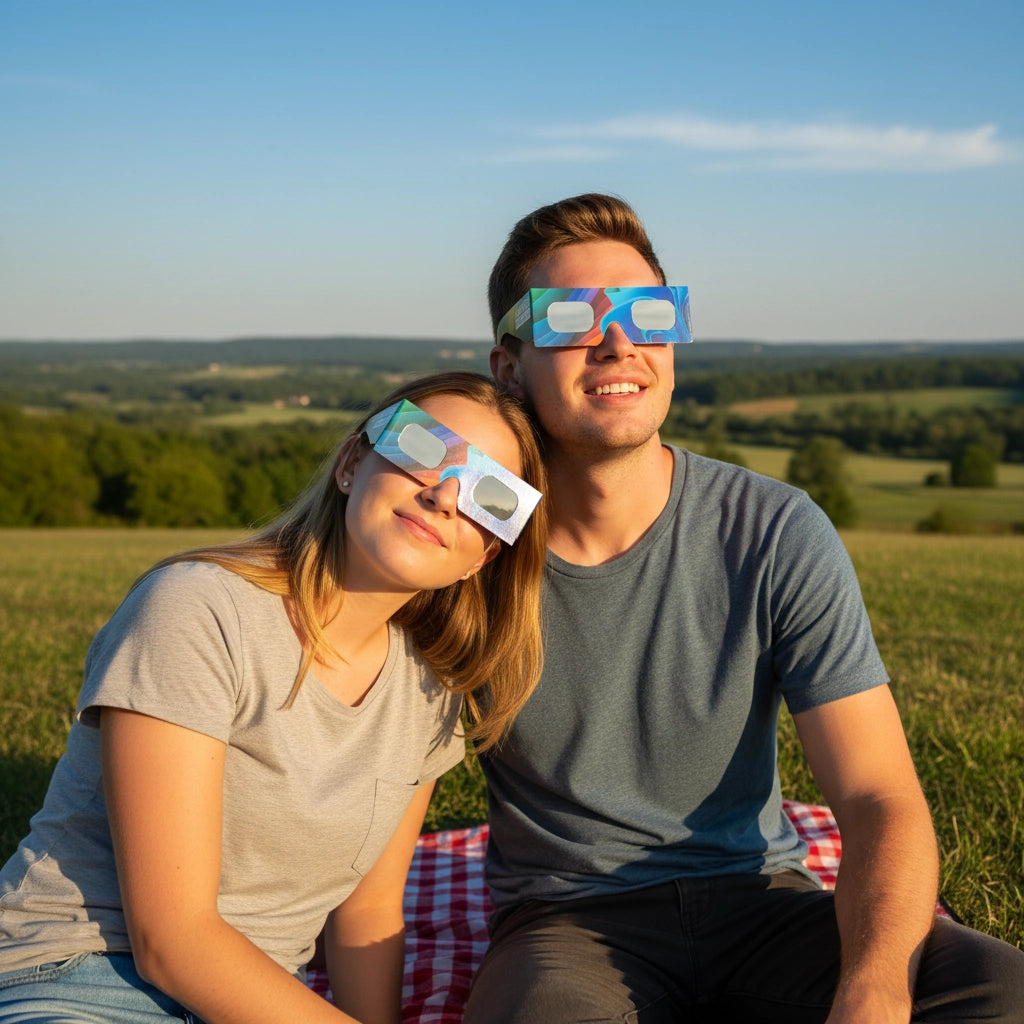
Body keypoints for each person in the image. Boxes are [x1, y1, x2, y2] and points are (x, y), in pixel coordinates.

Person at [463, 194, 1024, 1023]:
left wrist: (872, 992)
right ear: (509, 367)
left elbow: (878, 795)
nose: (618, 342)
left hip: (761, 901)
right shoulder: (469, 549)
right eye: (571, 317)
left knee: (1001, 990)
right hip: (567, 924)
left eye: (650, 312)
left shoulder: (773, 527)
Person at [0, 370, 546, 1024]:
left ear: (484, 556)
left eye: (492, 495)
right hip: (83, 976)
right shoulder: (197, 610)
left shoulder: (431, 693)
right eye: (424, 448)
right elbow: (171, 942)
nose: (445, 494)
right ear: (351, 463)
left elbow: (367, 913)